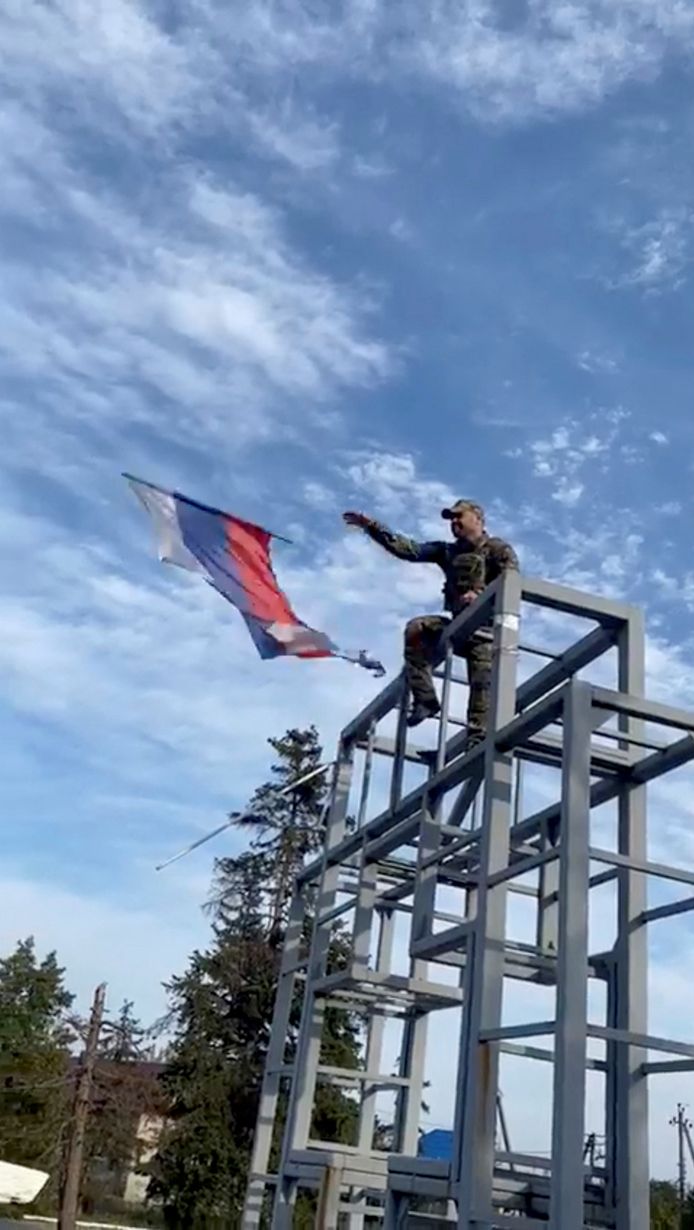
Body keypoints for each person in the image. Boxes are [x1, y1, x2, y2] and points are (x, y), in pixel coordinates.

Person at [343, 500, 519, 747]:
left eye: (460, 517)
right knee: (417, 629)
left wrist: (483, 596)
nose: (454, 523)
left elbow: (513, 582)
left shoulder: (497, 549)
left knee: (481, 687)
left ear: (478, 520)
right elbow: (409, 550)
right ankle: (425, 699)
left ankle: (477, 740)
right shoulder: (447, 551)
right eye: (451, 519)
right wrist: (372, 527)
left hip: (487, 632)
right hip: (458, 627)